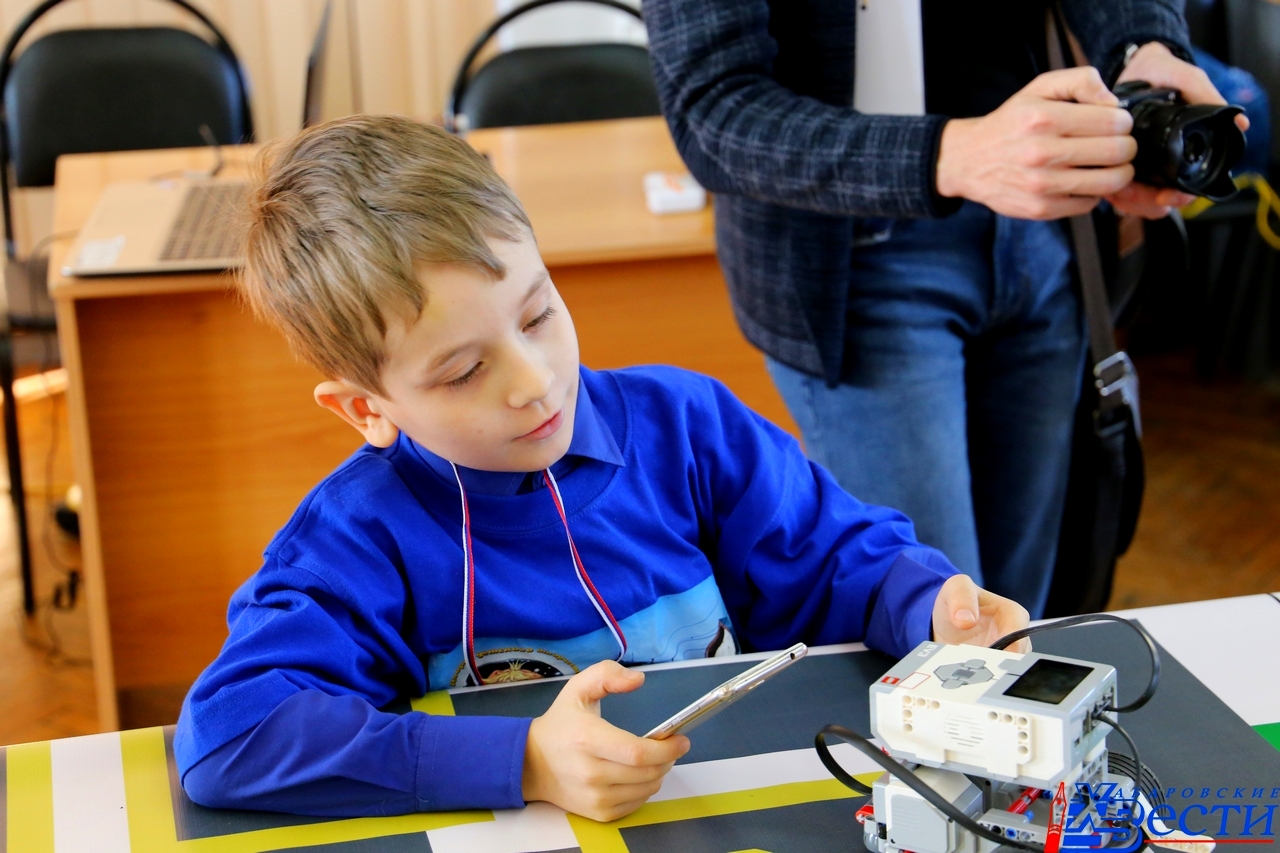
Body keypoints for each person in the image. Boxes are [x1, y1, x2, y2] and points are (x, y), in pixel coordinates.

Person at [173, 115, 1030, 821]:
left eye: (537, 314)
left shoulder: (688, 425)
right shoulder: (357, 537)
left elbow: (835, 557)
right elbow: (227, 736)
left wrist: (927, 602)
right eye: (464, 371)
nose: (534, 381)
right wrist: (524, 760)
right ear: (367, 409)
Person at [643, 0, 1246, 617]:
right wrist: (953, 155)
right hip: (860, 254)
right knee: (937, 623)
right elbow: (712, 109)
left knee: (1019, 610)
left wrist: (1143, 44)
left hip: (1048, 222)